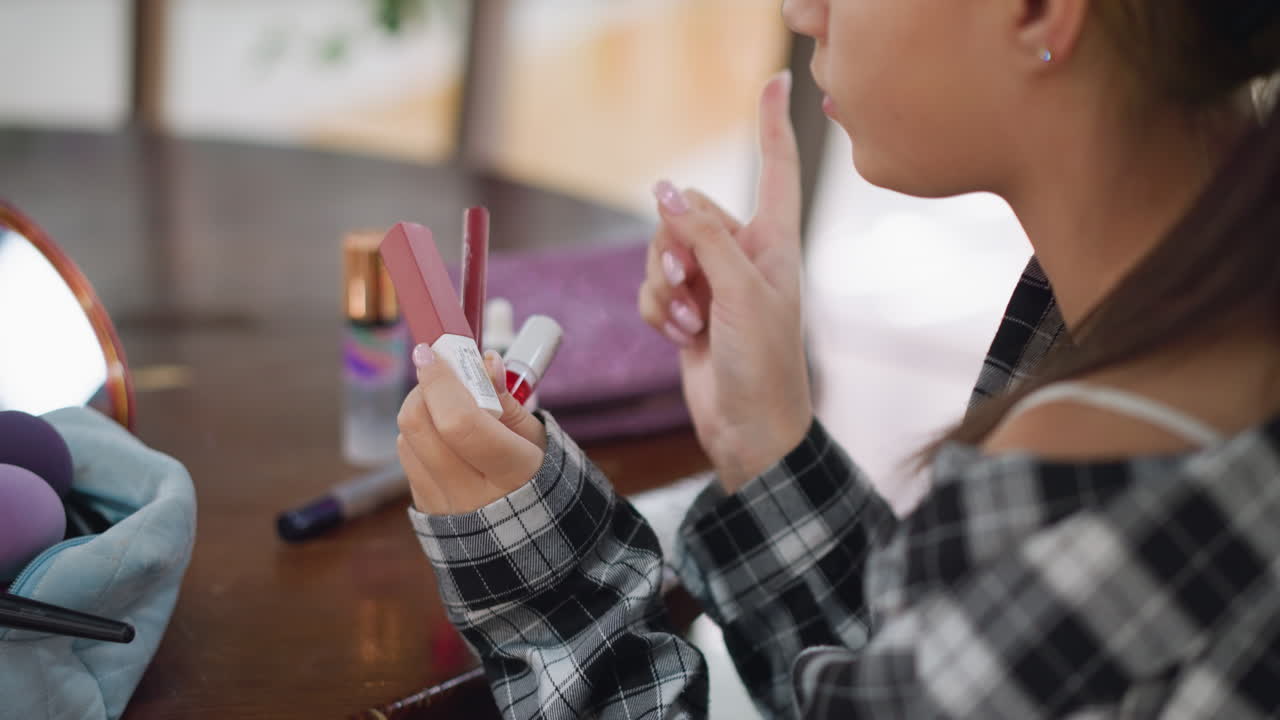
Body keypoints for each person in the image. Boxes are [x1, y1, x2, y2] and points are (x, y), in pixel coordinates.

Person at [395, 0, 1280, 716]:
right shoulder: (1156, 305)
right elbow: (935, 677)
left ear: (1040, 10)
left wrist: (542, 580)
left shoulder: (1081, 478)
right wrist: (764, 433)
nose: (803, 10)